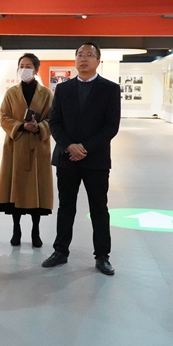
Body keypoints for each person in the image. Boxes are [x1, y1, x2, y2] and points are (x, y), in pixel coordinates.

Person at [41, 42, 121, 275]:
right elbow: (55, 122)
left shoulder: (110, 89)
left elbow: (111, 126)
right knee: (66, 207)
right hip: (67, 158)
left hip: (96, 160)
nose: (83, 58)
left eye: (89, 55)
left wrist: (85, 148)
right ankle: (60, 251)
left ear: (98, 61)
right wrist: (69, 146)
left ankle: (102, 256)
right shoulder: (63, 89)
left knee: (99, 208)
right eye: (80, 55)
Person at [0, 53, 54, 248]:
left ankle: (36, 230)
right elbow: (3, 116)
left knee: (37, 192)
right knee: (16, 191)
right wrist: (21, 126)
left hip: (38, 148)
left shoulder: (46, 94)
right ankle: (16, 229)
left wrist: (40, 127)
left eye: (28, 66)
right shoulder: (11, 93)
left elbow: (53, 118)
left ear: (36, 70)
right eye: (21, 65)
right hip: (16, 146)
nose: (24, 69)